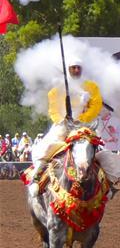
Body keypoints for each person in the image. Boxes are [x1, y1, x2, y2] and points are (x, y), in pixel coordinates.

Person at [30, 57, 104, 185]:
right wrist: (63, 121)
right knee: (46, 147)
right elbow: (53, 110)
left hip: (85, 125)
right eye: (73, 68)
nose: (76, 70)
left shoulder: (91, 87)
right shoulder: (57, 89)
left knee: (103, 152)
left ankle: (106, 184)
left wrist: (82, 119)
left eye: (78, 68)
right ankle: (37, 177)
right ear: (68, 70)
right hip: (63, 126)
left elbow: (96, 106)